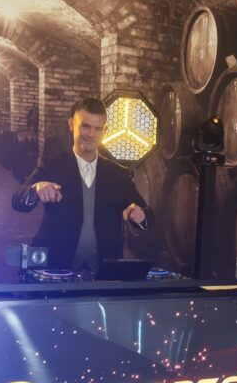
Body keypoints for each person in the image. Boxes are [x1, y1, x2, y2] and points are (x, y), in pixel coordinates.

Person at [12, 97, 151, 270]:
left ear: (105, 130)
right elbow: (17, 201)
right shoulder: (52, 165)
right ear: (71, 124)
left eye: (97, 128)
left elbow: (147, 217)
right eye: (85, 126)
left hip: (104, 270)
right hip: (57, 265)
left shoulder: (119, 174)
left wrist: (140, 216)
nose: (91, 134)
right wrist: (35, 189)